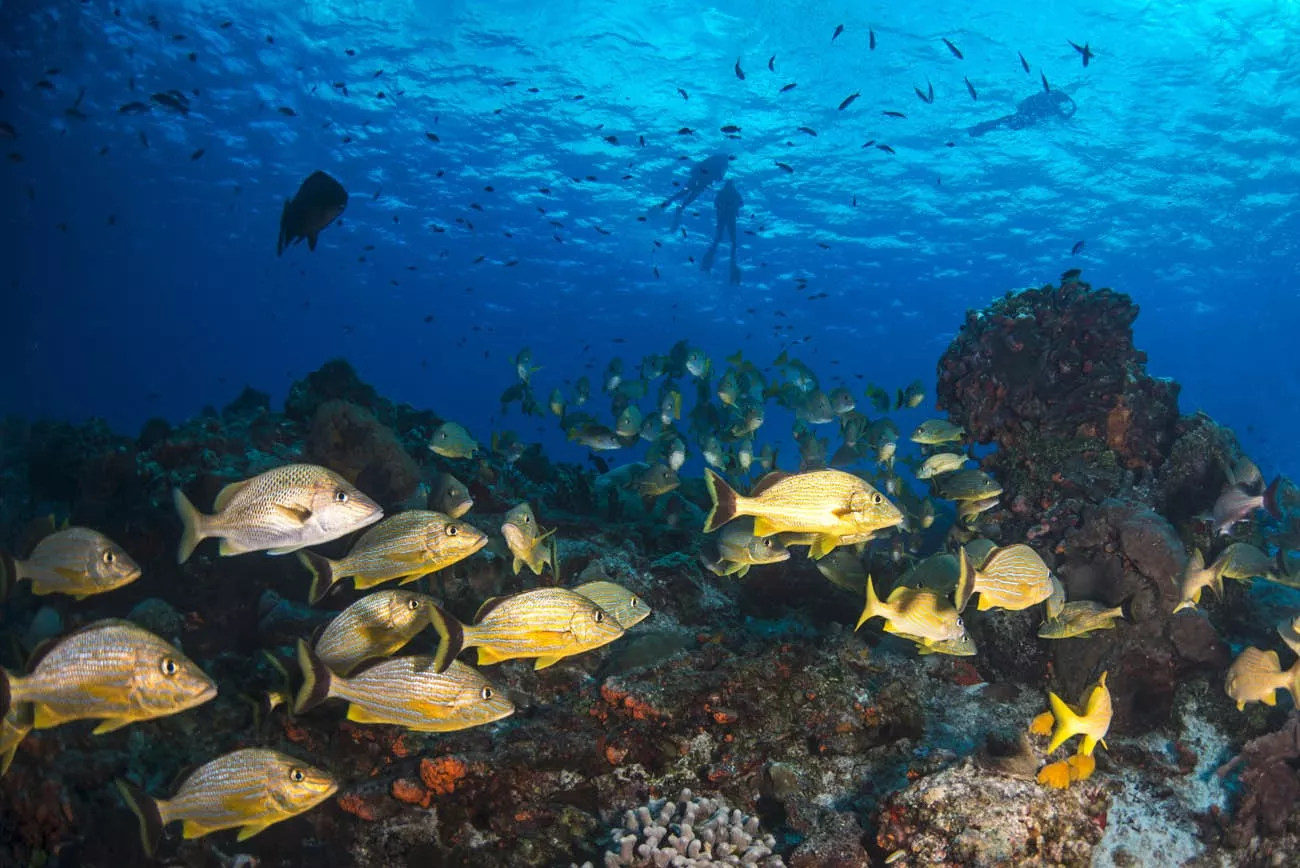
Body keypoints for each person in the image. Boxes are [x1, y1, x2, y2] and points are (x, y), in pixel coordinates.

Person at [661, 154, 732, 231]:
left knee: (686, 190)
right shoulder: (723, 163)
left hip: (697, 177)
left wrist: (695, 173)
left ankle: (670, 201)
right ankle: (681, 206)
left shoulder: (712, 159)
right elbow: (719, 177)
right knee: (694, 194)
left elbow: (699, 166)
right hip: (704, 181)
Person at [968, 90, 1077, 138]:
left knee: (1012, 122)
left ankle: (981, 128)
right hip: (1025, 112)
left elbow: (1067, 114)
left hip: (1032, 115)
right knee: (1008, 121)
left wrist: (1067, 111)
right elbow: (1021, 108)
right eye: (1040, 101)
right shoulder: (1030, 102)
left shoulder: (1054, 107)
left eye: (1045, 103)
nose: (1042, 104)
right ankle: (981, 128)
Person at [700, 180, 742, 285]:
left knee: (722, 238)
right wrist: (731, 206)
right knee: (729, 239)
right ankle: (732, 263)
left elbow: (739, 203)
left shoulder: (725, 192)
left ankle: (714, 259)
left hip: (725, 217)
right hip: (726, 217)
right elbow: (740, 203)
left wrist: (728, 205)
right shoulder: (731, 193)